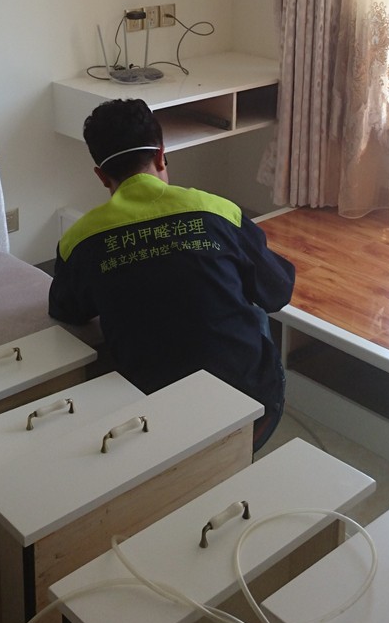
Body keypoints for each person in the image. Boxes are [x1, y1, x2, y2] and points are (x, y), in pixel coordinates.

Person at [49, 98, 295, 451]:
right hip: (254, 410)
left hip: (152, 419)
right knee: (253, 305)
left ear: (101, 176)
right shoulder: (218, 211)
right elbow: (278, 291)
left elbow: (66, 309)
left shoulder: (79, 240)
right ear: (162, 155)